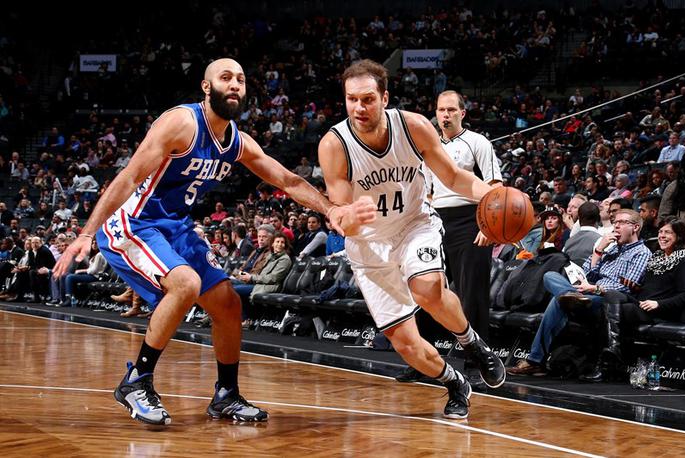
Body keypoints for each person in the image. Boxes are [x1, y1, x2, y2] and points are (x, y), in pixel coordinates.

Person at [54, 58, 375, 427]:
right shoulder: (182, 123)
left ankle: (226, 395)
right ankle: (136, 381)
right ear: (207, 88)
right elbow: (127, 178)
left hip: (175, 226)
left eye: (240, 78)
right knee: (186, 283)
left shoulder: (235, 140)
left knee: (227, 304)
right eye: (225, 78)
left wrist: (331, 209)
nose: (235, 84)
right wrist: (84, 234)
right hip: (133, 222)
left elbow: (287, 180)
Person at [318, 59, 505, 420]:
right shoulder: (334, 144)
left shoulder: (414, 126)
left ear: (385, 98)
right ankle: (455, 383)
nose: (359, 107)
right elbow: (338, 208)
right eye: (351, 99)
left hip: (414, 224)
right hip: (368, 245)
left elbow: (453, 176)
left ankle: (473, 344)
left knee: (427, 288)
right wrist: (346, 219)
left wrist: (490, 195)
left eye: (368, 99)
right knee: (406, 345)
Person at [507, 209, 652, 376]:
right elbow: (586, 273)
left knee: (557, 301)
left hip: (607, 301)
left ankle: (535, 361)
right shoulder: (610, 249)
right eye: (615, 223)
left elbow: (625, 289)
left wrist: (595, 288)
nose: (616, 226)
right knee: (550, 275)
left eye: (621, 223)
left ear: (635, 227)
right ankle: (571, 296)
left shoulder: (641, 253)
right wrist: (598, 250)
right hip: (587, 293)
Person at [427, 90, 502, 348]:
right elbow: (426, 193)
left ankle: (477, 357)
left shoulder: (478, 142)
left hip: (471, 220)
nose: (445, 115)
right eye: (440, 110)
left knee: (472, 293)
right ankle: (425, 359)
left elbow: (495, 188)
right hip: (436, 221)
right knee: (427, 288)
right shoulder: (429, 148)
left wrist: (488, 225)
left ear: (462, 113)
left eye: (450, 110)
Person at [581, 218, 685, 382]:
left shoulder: (683, 261)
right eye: (660, 232)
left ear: (679, 237)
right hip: (642, 303)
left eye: (668, 232)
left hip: (658, 310)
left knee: (606, 310)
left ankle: (605, 364)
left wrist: (658, 303)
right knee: (611, 294)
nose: (662, 236)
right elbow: (652, 287)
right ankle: (614, 349)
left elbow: (684, 295)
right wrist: (635, 287)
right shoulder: (656, 257)